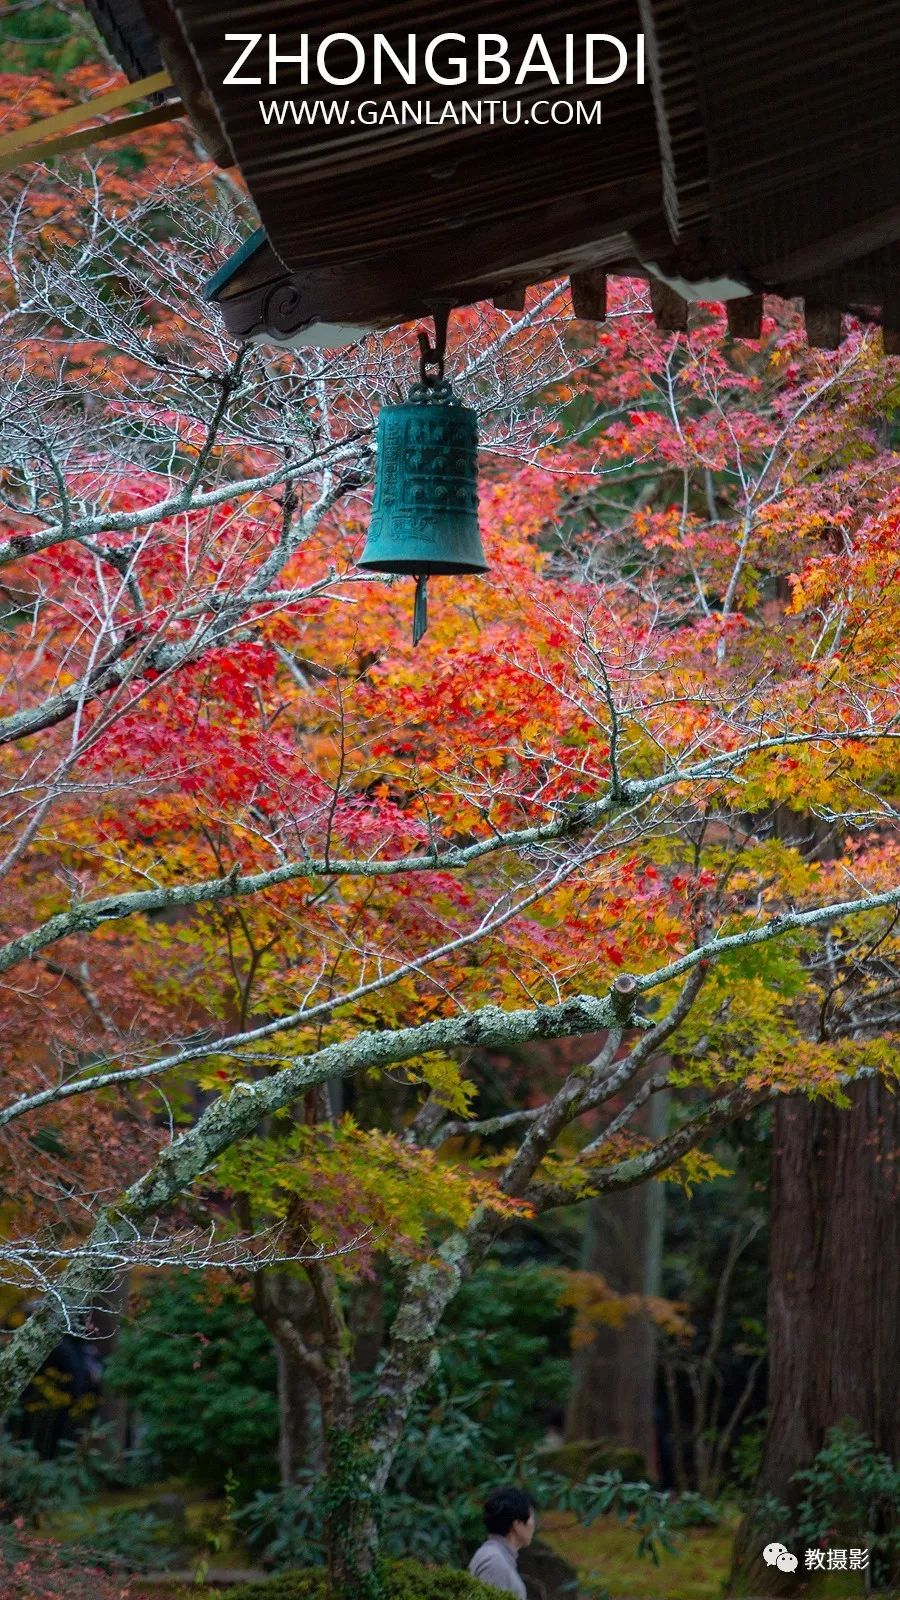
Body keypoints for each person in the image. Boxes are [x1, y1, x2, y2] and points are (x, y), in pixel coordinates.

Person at [468, 1485, 535, 1597]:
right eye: (532, 1518)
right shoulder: (494, 1561)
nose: (533, 1525)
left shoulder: (498, 1557)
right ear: (517, 1524)